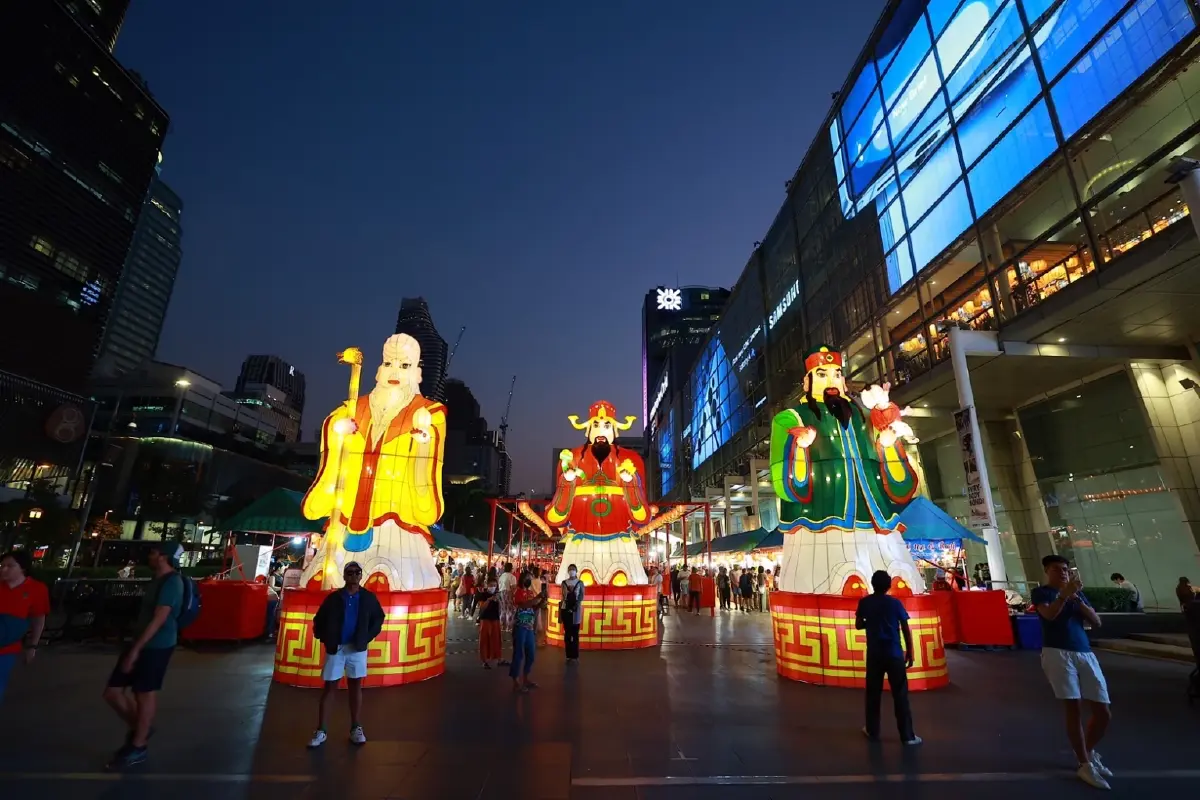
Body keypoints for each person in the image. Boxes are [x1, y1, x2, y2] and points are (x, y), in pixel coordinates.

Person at [103, 543, 186, 769]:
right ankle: (142, 728)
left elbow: (159, 619)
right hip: (139, 642)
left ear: (163, 557)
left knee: (144, 693)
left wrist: (137, 648)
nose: (149, 556)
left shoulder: (172, 583)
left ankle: (138, 745)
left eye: (153, 552)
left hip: (156, 645)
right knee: (112, 692)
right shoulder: (156, 581)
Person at [1032, 555, 1113, 790]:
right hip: (1057, 653)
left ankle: (1087, 752)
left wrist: (1076, 599)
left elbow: (1096, 621)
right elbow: (1049, 615)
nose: (1063, 573)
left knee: (1103, 711)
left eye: (1066, 569)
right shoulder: (1042, 593)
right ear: (1047, 571)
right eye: (1057, 569)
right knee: (1073, 707)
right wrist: (1064, 595)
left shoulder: (1077, 596)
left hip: (1084, 652)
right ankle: (1084, 762)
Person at [307, 561, 385, 749]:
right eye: (350, 572)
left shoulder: (368, 598)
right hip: (337, 647)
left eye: (357, 572)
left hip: (357, 647)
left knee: (355, 685)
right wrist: (324, 636)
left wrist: (367, 636)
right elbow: (319, 619)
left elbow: (378, 617)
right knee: (330, 686)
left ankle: (356, 727)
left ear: (361, 575)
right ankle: (322, 729)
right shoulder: (334, 598)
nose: (353, 576)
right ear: (344, 575)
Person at [856, 570, 920, 746]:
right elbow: (905, 627)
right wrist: (910, 652)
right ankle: (907, 736)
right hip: (894, 653)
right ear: (889, 585)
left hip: (875, 654)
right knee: (900, 694)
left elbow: (858, 624)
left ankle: (872, 730)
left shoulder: (865, 602)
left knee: (873, 694)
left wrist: (872, 622)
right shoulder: (895, 603)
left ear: (872, 583)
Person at [0, 550, 49, 704]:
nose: (3, 569)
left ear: (22, 568)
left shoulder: (37, 589)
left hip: (7, 649)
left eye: (10, 566)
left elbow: (39, 619)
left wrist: (32, 645)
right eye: (2, 565)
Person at [510, 571, 545, 692]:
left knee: (531, 654)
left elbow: (532, 607)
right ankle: (515, 681)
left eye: (531, 578)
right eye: (527, 578)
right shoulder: (518, 592)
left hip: (529, 626)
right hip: (520, 626)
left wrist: (541, 602)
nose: (529, 580)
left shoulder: (530, 592)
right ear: (522, 579)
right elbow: (523, 605)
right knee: (518, 654)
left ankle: (525, 678)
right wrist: (537, 598)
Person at [560, 564, 585, 662]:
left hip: (576, 611)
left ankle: (575, 655)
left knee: (575, 634)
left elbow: (582, 596)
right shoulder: (564, 583)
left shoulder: (580, 583)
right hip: (566, 610)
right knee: (567, 634)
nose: (571, 571)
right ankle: (568, 655)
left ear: (576, 570)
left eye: (573, 569)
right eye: (570, 569)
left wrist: (576, 604)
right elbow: (563, 596)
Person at [477, 576, 502, 668]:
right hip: (485, 619)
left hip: (495, 619)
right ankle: (484, 660)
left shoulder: (497, 594)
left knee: (496, 639)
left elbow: (500, 608)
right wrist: (489, 600)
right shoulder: (483, 595)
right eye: (491, 585)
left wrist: (498, 600)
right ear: (487, 585)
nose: (493, 587)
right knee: (484, 639)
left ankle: (498, 658)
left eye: (495, 585)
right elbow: (482, 608)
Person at [498, 562, 517, 631]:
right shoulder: (512, 577)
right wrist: (512, 596)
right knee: (510, 611)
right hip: (508, 593)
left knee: (502, 610)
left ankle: (502, 626)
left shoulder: (502, 576)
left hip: (501, 593)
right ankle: (509, 627)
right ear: (511, 568)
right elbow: (513, 588)